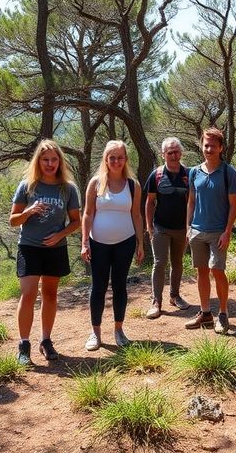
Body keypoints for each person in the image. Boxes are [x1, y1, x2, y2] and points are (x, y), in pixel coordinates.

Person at [9, 139, 81, 364]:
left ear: (60, 161)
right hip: (29, 247)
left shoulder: (68, 189)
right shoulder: (27, 186)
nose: (50, 164)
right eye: (45, 160)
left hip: (55, 249)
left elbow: (76, 221)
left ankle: (46, 340)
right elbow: (13, 220)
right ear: (38, 162)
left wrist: (60, 235)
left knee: (50, 294)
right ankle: (23, 344)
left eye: (54, 159)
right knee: (28, 294)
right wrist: (29, 211)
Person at [81, 141, 145, 350]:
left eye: (120, 157)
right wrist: (84, 243)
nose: (116, 161)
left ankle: (119, 330)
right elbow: (88, 214)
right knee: (98, 287)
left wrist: (140, 243)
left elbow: (136, 214)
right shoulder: (96, 183)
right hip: (98, 244)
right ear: (106, 160)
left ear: (126, 159)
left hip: (125, 243)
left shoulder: (133, 185)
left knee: (120, 286)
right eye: (112, 157)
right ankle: (95, 333)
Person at [185, 127, 236, 334]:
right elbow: (191, 201)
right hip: (197, 231)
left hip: (219, 231)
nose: (208, 149)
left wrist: (227, 231)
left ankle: (223, 314)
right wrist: (188, 227)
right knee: (201, 272)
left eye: (213, 146)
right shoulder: (194, 172)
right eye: (205, 145)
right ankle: (205, 313)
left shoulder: (228, 172)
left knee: (218, 271)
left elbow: (234, 205)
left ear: (221, 148)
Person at [144, 137, 191, 320]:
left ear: (181, 153)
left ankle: (175, 295)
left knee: (178, 262)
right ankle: (156, 301)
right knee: (159, 263)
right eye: (169, 152)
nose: (173, 155)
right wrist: (149, 227)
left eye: (176, 151)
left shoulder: (188, 174)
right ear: (163, 154)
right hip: (161, 227)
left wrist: (190, 227)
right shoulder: (156, 175)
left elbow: (191, 202)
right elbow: (149, 202)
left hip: (182, 229)